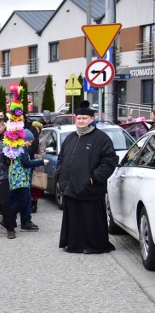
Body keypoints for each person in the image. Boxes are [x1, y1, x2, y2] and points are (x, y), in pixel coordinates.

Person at [57, 101, 118, 254]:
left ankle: (93, 246)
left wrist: (93, 178)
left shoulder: (101, 138)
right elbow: (61, 158)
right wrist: (60, 176)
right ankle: (73, 244)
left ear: (92, 118)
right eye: (79, 118)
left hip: (90, 188)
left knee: (91, 220)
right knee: (73, 219)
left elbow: (109, 161)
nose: (81, 121)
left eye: (84, 118)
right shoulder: (71, 137)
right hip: (70, 187)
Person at [8, 129, 48, 231]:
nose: (30, 144)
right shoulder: (21, 148)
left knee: (21, 200)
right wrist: (41, 162)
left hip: (19, 179)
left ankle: (15, 220)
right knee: (22, 200)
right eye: (29, 141)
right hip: (20, 179)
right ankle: (7, 219)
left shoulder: (17, 147)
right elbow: (26, 163)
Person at [30, 121, 46, 213]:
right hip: (29, 165)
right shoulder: (28, 138)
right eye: (34, 129)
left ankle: (34, 204)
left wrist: (31, 155)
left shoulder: (41, 140)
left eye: (37, 129)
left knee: (36, 186)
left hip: (37, 166)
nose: (35, 131)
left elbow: (42, 154)